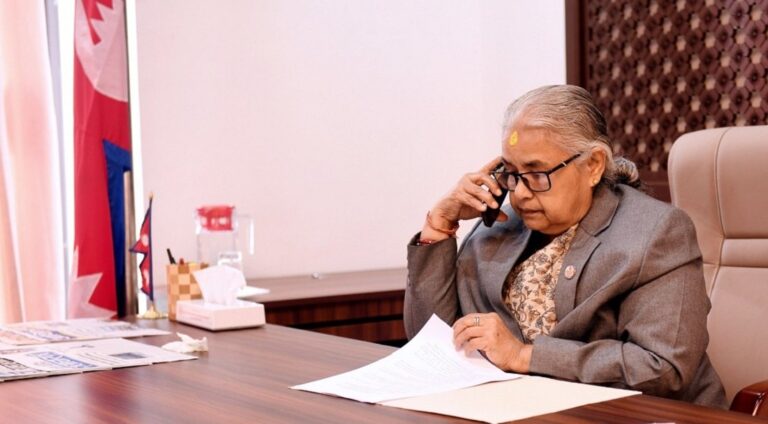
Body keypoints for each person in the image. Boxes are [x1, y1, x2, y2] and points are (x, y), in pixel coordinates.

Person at [404, 84, 727, 408]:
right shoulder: (500, 224)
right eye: (511, 173)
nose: (519, 194)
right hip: (518, 409)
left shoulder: (656, 232)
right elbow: (430, 342)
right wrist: (440, 225)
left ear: (593, 165)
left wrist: (523, 356)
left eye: (537, 173)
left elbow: (663, 369)